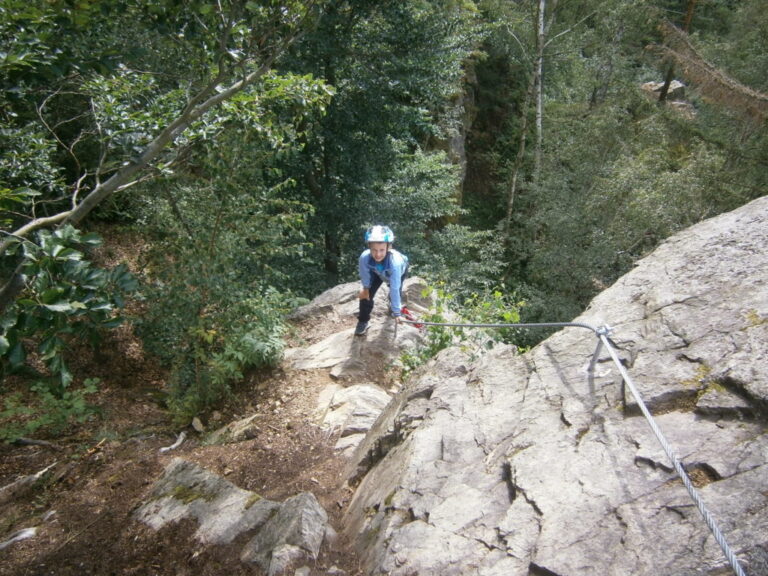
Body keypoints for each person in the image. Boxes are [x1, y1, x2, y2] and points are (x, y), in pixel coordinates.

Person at [355, 225, 409, 336]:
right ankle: (363, 321)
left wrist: (397, 312)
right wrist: (366, 288)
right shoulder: (365, 258)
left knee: (395, 291)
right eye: (374, 250)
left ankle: (393, 308)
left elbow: (394, 287)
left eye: (381, 250)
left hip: (395, 271)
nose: (378, 254)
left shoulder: (395, 263)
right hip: (376, 271)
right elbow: (365, 275)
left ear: (388, 247)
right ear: (369, 247)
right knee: (366, 295)